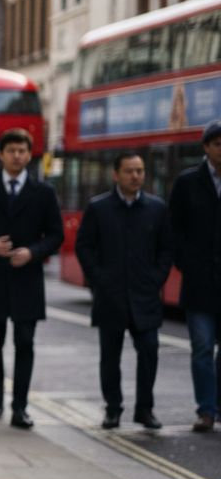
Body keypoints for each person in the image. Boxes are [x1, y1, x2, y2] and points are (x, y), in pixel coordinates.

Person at [0, 128, 64, 429]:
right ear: (2, 155)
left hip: (27, 278)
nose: (17, 156)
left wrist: (33, 252)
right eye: (12, 151)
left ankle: (20, 407)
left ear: (29, 155)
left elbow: (56, 234)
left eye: (22, 151)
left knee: (25, 342)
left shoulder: (43, 193)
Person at [74, 152, 173, 430]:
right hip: (111, 296)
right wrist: (99, 280)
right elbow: (85, 247)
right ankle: (113, 409)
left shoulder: (156, 208)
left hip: (145, 295)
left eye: (140, 171)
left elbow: (167, 248)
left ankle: (145, 409)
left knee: (150, 351)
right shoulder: (99, 208)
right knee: (110, 357)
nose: (135, 176)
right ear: (116, 174)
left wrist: (156, 278)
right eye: (129, 171)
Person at [168, 121, 221, 432]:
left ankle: (216, 403)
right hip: (199, 282)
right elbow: (173, 229)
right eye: (217, 144)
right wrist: (185, 263)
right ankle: (206, 409)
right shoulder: (188, 182)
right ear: (206, 148)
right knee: (202, 347)